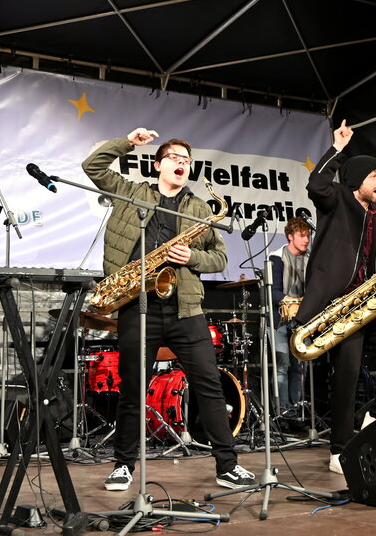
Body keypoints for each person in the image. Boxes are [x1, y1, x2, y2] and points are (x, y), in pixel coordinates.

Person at [83, 128, 255, 491]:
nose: (181, 163)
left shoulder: (200, 208)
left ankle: (227, 464)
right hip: (137, 303)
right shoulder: (131, 192)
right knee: (133, 390)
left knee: (209, 387)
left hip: (185, 308)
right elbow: (92, 166)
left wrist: (193, 257)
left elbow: (220, 256)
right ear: (158, 164)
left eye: (186, 160)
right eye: (174, 158)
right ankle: (123, 464)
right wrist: (127, 142)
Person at [295, 119, 376, 475]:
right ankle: (339, 449)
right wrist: (337, 149)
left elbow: (366, 262)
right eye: (374, 176)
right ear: (357, 182)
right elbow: (316, 182)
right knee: (347, 371)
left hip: (366, 301)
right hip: (337, 306)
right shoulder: (336, 200)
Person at [268, 217, 311, 414]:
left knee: (300, 367)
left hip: (302, 320)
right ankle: (283, 411)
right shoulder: (276, 258)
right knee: (282, 366)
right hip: (280, 320)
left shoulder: (310, 259)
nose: (306, 240)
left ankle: (297, 410)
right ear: (290, 236)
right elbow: (274, 292)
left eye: (308, 236)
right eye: (302, 236)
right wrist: (294, 302)